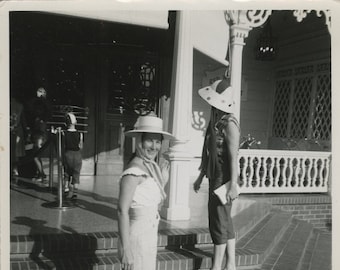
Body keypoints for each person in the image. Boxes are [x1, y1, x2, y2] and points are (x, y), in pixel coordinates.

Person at [193, 77, 240, 270]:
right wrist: (200, 177)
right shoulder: (216, 121)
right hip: (215, 175)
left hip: (224, 178)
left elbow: (233, 156)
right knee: (225, 220)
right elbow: (209, 154)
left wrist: (233, 184)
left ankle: (217, 266)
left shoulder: (229, 124)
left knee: (218, 221)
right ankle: (231, 264)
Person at [117, 113, 174, 270]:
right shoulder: (133, 171)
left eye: (158, 141)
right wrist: (126, 249)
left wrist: (163, 180)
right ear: (140, 141)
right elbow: (122, 211)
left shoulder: (150, 166)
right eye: (149, 140)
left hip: (148, 237)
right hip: (136, 240)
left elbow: (149, 199)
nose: (154, 146)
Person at [26, 87, 52, 181]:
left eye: (41, 91)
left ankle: (41, 174)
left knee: (36, 154)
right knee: (36, 154)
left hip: (40, 132)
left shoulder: (41, 106)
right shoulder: (39, 105)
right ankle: (40, 173)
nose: (39, 93)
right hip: (38, 131)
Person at [62, 112, 83, 200]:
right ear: (75, 122)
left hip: (68, 154)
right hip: (77, 155)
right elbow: (81, 146)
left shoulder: (64, 133)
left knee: (66, 173)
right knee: (76, 174)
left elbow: (63, 145)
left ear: (66, 123)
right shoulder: (80, 134)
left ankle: (66, 189)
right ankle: (75, 193)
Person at [10, 96, 27, 177]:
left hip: (12, 129)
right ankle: (15, 169)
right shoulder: (20, 106)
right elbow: (23, 120)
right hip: (17, 130)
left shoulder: (9, 104)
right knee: (16, 151)